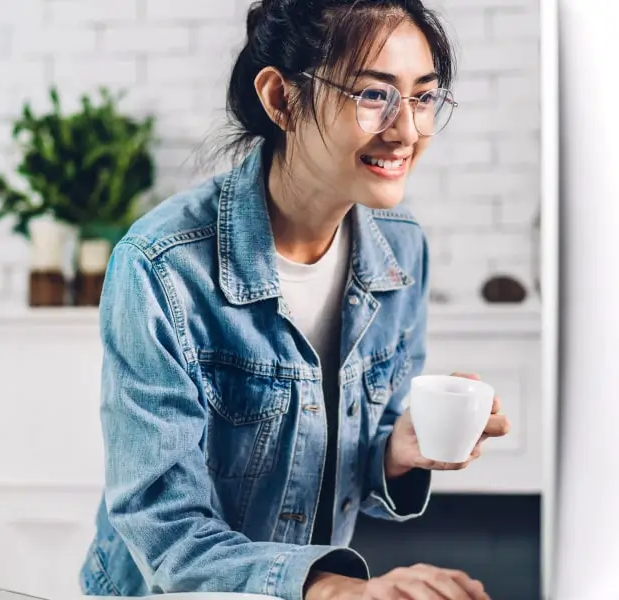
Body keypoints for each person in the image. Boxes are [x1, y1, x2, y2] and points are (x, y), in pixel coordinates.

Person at [79, 1, 511, 599]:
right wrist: (340, 590)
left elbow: (329, 466)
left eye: (423, 97)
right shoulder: (161, 266)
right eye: (374, 94)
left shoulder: (401, 248)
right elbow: (164, 529)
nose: (407, 131)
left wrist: (395, 451)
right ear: (281, 99)